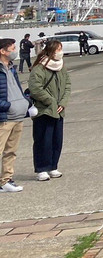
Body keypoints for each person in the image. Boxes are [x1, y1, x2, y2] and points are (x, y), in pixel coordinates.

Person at [27, 39, 69, 182]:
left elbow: (67, 85)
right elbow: (35, 88)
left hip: (59, 110)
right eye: (58, 49)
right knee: (42, 140)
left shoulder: (61, 67)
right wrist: (51, 101)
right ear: (51, 51)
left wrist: (62, 102)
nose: (60, 52)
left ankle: (53, 166)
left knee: (57, 140)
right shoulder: (39, 68)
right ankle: (41, 168)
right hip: (43, 110)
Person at [0, 38, 34, 193]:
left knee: (11, 151)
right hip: (5, 118)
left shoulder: (11, 68)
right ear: (3, 51)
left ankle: (6, 180)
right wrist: (8, 106)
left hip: (18, 116)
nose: (15, 51)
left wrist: (26, 103)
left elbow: (17, 89)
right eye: (12, 48)